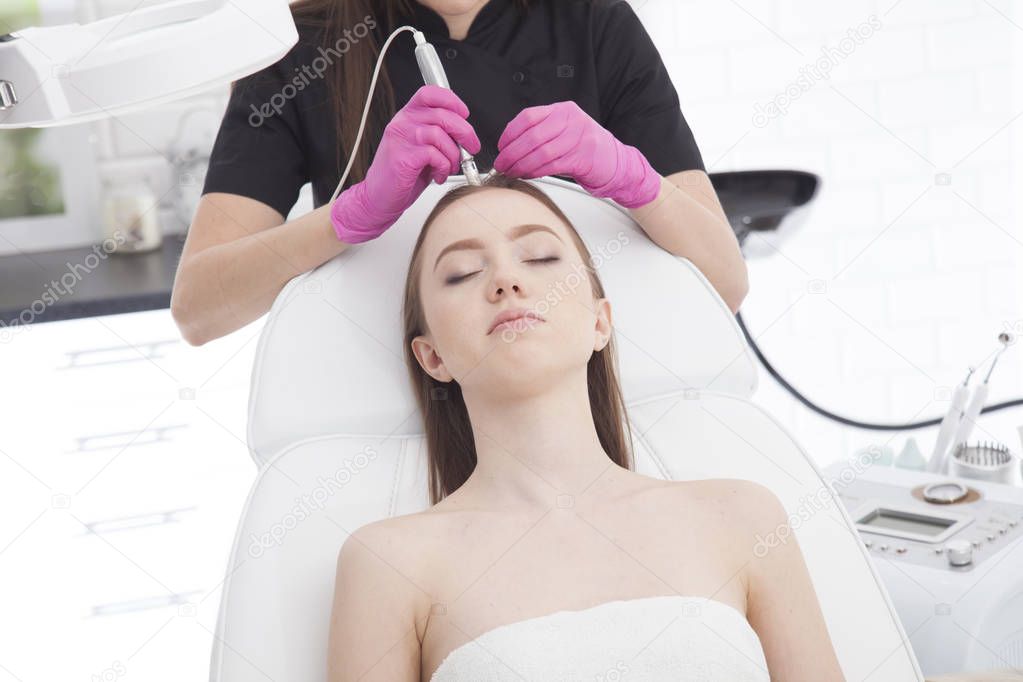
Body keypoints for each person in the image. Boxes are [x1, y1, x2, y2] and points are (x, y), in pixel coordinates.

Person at [325, 172, 842, 681]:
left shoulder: (743, 518)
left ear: (600, 322)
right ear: (432, 355)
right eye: (462, 272)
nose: (506, 281)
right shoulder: (388, 564)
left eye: (540, 257)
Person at [171, 0, 748, 347]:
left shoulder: (594, 23)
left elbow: (726, 282)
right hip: (399, 390)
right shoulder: (297, 52)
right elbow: (199, 310)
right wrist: (350, 217)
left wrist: (632, 178)